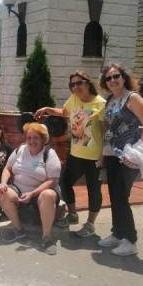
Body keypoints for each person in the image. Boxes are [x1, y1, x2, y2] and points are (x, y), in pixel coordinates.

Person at [35, 71, 106, 237]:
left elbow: (105, 131)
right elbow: (63, 112)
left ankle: (90, 224)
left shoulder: (101, 103)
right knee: (65, 182)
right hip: (76, 154)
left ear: (88, 83)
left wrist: (103, 156)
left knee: (93, 191)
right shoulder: (74, 99)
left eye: (79, 83)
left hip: (94, 156)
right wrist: (46, 109)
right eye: (72, 84)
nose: (76, 87)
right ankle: (73, 214)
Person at [98, 63, 143, 256]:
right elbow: (107, 126)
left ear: (123, 78)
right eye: (108, 78)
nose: (112, 80)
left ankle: (130, 240)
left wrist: (139, 148)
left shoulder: (133, 97)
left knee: (122, 196)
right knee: (114, 195)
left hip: (128, 156)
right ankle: (117, 233)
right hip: (112, 154)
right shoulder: (110, 100)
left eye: (116, 76)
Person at [0, 122, 62, 255]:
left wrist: (33, 193)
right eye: (29, 138)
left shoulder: (49, 154)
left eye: (36, 138)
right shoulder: (20, 150)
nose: (32, 141)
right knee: (3, 193)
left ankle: (47, 238)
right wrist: (3, 183)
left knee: (48, 195)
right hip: (19, 189)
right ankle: (18, 230)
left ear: (43, 140)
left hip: (40, 192)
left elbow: (52, 180)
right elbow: (8, 168)